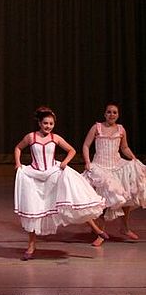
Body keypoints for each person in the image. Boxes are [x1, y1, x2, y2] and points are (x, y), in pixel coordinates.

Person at [14, 106, 105, 260]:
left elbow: (72, 150)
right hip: (35, 175)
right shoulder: (31, 137)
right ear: (40, 123)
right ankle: (31, 245)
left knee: (73, 200)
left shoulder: (55, 138)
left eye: (51, 124)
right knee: (34, 210)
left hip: (53, 174)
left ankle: (97, 230)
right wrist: (17, 163)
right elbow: (18, 147)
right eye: (45, 123)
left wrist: (65, 163)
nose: (48, 126)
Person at [82, 102, 146, 246]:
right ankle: (101, 233)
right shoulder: (97, 127)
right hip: (100, 166)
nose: (112, 115)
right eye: (109, 112)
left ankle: (124, 227)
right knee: (105, 201)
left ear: (118, 115)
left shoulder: (121, 129)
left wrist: (134, 159)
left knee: (127, 195)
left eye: (114, 112)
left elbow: (124, 147)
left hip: (116, 165)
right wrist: (87, 161)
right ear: (105, 114)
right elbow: (86, 145)